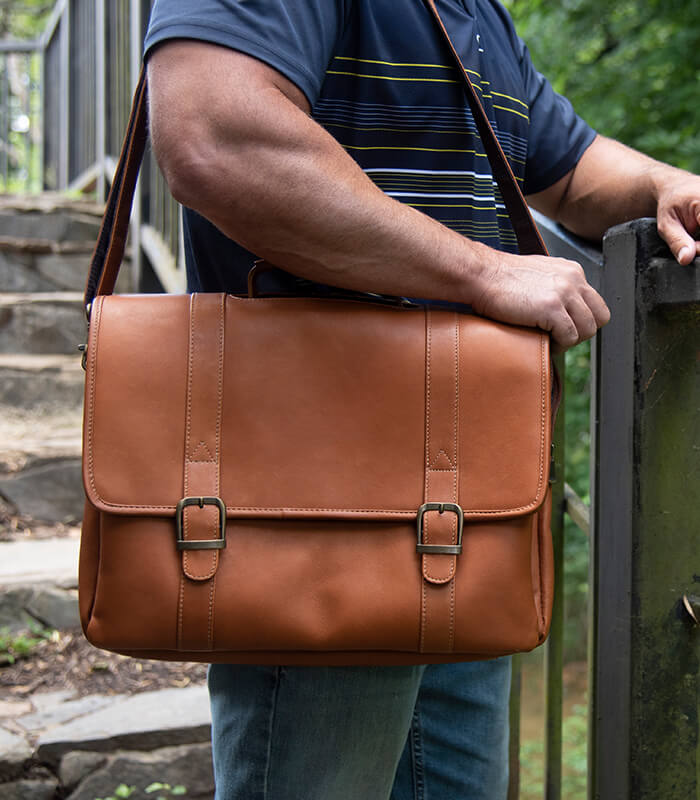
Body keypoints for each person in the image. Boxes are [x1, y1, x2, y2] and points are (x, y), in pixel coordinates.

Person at [143, 2, 700, 798]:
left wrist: (662, 183)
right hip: (314, 502)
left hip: (468, 498)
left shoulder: (473, 13)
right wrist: (486, 270)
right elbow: (214, 134)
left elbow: (567, 170)